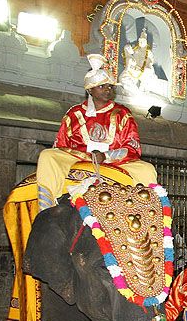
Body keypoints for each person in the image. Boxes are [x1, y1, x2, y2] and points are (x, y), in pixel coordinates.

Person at [35, 53, 157, 210]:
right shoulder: (74, 114)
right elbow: (61, 145)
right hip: (78, 158)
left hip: (113, 161)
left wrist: (105, 156)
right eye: (102, 86)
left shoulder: (122, 113)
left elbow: (132, 148)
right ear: (90, 90)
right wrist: (84, 154)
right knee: (48, 155)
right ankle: (46, 209)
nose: (107, 90)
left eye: (110, 87)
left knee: (147, 169)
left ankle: (148, 214)